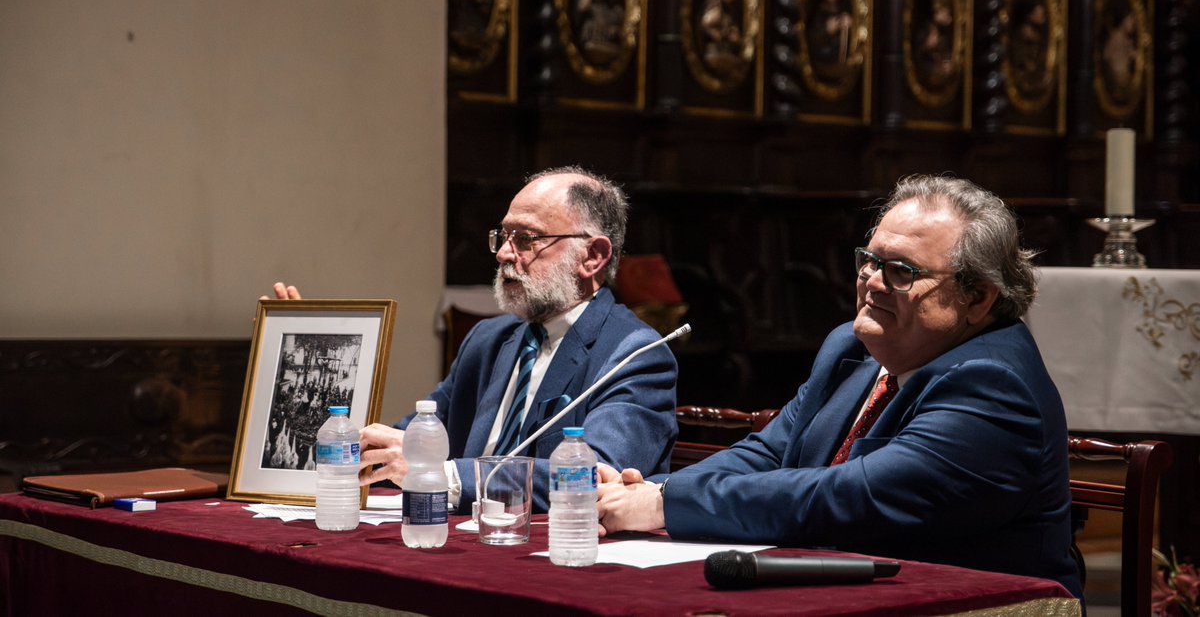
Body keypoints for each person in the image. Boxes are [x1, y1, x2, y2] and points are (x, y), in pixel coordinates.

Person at [595, 174, 1083, 601]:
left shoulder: (994, 383)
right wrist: (658, 488)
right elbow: (767, 453)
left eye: (900, 271)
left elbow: (851, 496)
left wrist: (661, 506)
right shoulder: (850, 348)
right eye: (869, 260)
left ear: (977, 297)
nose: (870, 282)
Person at [265, 166, 678, 513]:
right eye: (503, 236)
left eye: (527, 239)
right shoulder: (489, 339)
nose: (502, 254)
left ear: (593, 256)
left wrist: (440, 475)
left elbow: (596, 478)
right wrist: (310, 361)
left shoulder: (635, 354)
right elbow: (410, 442)